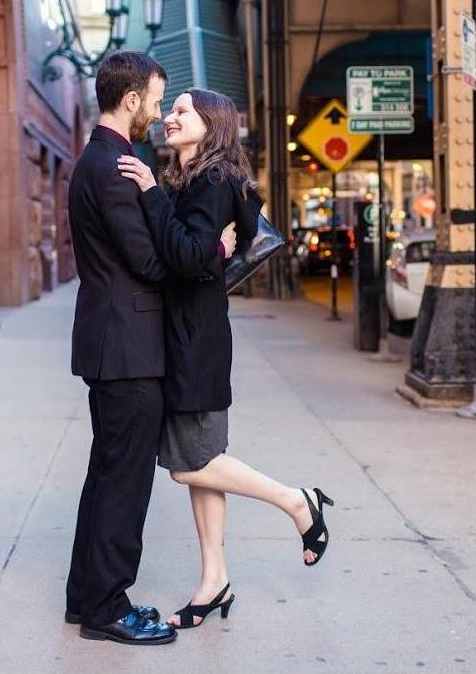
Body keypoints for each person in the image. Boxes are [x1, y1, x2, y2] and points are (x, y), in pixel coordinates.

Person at [118, 88, 333, 630]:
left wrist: (150, 195)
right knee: (203, 463)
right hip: (190, 333)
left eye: (182, 111)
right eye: (171, 110)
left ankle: (297, 501)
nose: (170, 117)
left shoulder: (212, 183)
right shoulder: (196, 181)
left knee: (191, 465)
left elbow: (189, 259)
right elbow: (196, 251)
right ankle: (215, 582)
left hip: (195, 339)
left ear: (210, 124)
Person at [65, 54, 235, 646]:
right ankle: (107, 607)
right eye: (158, 101)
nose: (160, 113)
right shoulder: (116, 166)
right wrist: (210, 251)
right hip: (128, 349)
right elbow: (148, 261)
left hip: (112, 342)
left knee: (105, 472)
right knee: (124, 481)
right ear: (131, 100)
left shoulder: (100, 158)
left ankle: (84, 594)